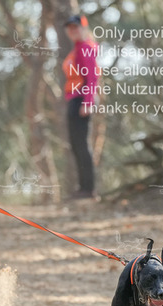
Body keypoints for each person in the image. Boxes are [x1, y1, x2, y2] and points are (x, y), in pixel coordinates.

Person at [63, 15, 99, 199]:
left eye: (75, 27)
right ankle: (82, 187)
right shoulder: (77, 49)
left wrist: (88, 102)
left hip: (82, 99)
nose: (72, 30)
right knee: (76, 144)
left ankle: (88, 189)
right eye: (69, 28)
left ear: (84, 28)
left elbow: (92, 77)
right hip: (74, 98)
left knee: (82, 145)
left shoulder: (86, 47)